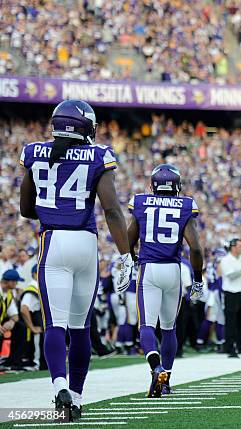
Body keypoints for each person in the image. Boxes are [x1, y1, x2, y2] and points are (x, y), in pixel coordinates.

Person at [19, 99, 133, 420]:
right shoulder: (99, 155)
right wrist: (125, 255)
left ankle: (59, 387)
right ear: (86, 127)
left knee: (55, 324)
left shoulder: (34, 152)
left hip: (53, 241)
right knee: (81, 327)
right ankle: (78, 397)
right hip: (86, 244)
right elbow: (111, 209)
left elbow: (26, 209)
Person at [127, 164, 204, 398]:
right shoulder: (186, 204)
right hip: (174, 270)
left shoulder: (141, 202)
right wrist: (198, 280)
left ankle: (155, 367)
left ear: (153, 186)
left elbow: (129, 239)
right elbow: (197, 250)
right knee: (169, 328)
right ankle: (166, 381)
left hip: (149, 269)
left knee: (147, 325)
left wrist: (131, 259)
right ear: (177, 187)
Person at [0, 269, 27, 371]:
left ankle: (13, 361)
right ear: (9, 282)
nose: (16, 284)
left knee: (20, 327)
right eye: (15, 281)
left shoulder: (9, 294)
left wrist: (11, 321)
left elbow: (15, 315)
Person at [20, 264, 46, 370]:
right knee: (38, 347)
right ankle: (36, 363)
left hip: (39, 322)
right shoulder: (32, 289)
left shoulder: (38, 287)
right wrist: (32, 327)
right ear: (35, 274)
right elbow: (24, 309)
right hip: (36, 324)